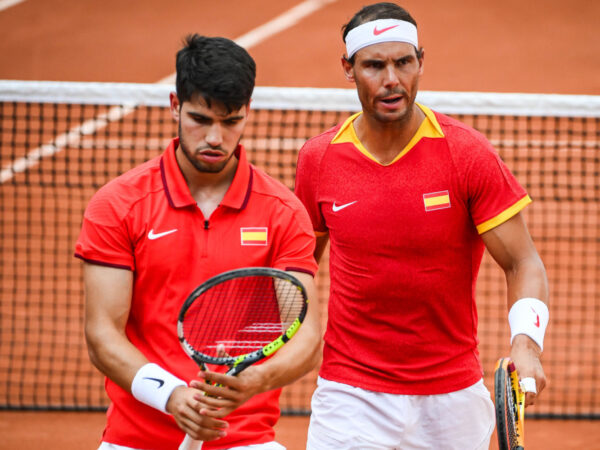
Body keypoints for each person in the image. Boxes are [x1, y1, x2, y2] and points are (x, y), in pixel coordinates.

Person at [294, 3, 549, 449]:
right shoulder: (319, 159)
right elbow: (296, 267)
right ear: (348, 69)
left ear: (421, 62)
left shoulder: (466, 155)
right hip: (350, 394)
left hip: (452, 397)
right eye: (374, 65)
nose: (391, 79)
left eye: (403, 62)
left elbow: (522, 260)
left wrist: (526, 341)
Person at [75, 34, 321, 450]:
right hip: (134, 439)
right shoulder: (119, 204)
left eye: (231, 121)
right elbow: (102, 334)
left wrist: (251, 381)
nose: (215, 138)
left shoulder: (283, 211)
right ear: (175, 105)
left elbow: (307, 338)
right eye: (200, 119)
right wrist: (169, 395)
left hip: (246, 439)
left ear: (247, 113)